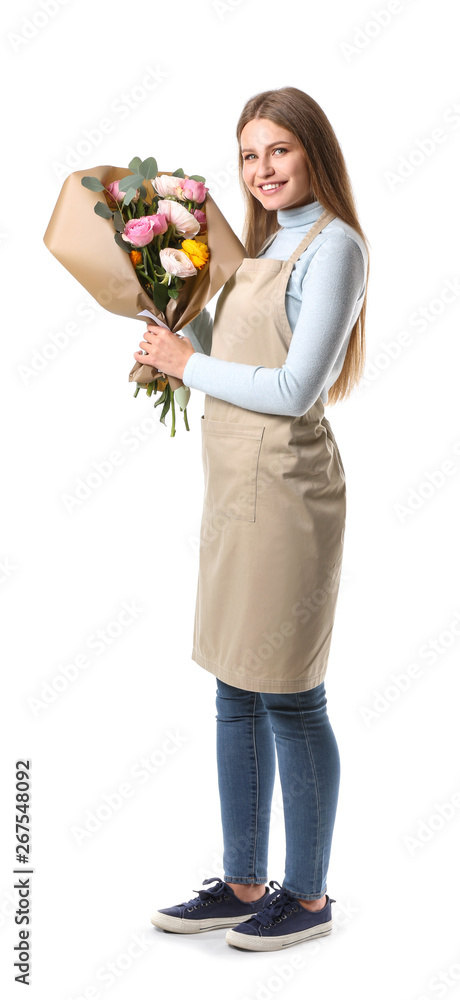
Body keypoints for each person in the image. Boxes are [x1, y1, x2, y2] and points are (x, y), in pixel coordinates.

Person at [135, 86, 369, 952]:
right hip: (234, 487)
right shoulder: (262, 244)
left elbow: (293, 389)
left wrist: (188, 365)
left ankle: (307, 898)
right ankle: (242, 880)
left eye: (278, 150)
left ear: (313, 151)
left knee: (291, 695)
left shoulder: (334, 247)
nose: (261, 169)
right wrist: (172, 341)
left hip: (290, 494)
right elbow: (237, 357)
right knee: (237, 681)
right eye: (247, 155)